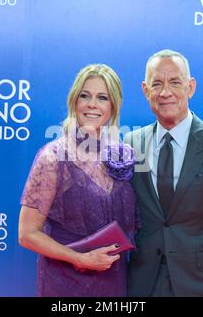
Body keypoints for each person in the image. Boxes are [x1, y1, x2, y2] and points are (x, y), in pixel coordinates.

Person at [124, 49, 203, 297]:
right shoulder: (132, 143)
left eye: (175, 82)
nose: (165, 92)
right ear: (145, 90)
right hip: (142, 284)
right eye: (157, 83)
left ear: (191, 87)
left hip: (202, 286)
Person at [18, 64, 137, 297]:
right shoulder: (52, 158)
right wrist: (80, 258)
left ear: (113, 106)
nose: (92, 104)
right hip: (66, 282)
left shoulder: (122, 155)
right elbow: (27, 234)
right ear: (75, 101)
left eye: (102, 97)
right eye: (85, 95)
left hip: (113, 280)